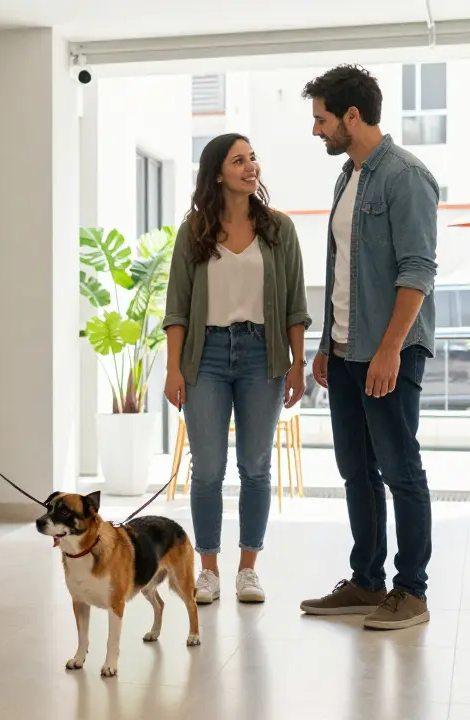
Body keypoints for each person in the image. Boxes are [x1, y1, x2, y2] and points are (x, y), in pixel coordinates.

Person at [298, 65, 438, 630]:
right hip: (346, 350)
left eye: (322, 120)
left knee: (400, 469)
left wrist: (389, 350)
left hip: (389, 353)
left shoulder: (406, 177)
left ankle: (412, 590)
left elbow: (418, 270)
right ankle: (366, 580)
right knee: (356, 469)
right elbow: (342, 271)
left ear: (351, 117)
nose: (317, 131)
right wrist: (328, 344)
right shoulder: (347, 178)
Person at [163, 133, 311, 606]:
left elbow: (294, 304)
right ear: (218, 172)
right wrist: (173, 369)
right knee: (207, 468)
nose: (251, 167)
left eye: (253, 158)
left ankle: (248, 569)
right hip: (204, 356)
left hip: (261, 355)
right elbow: (178, 308)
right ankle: (207, 569)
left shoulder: (278, 229)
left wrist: (296, 363)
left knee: (255, 465)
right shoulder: (194, 231)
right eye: (239, 160)